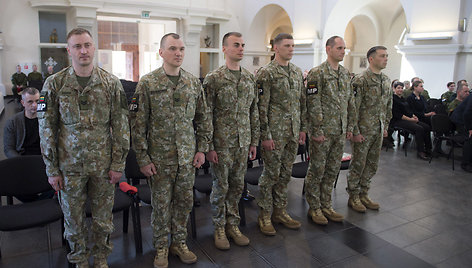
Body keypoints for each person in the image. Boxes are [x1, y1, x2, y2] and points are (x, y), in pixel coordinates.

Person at [38, 28, 130, 268]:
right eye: (77, 46)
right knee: (73, 220)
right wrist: (52, 169)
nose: (83, 50)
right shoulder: (54, 84)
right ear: (69, 50)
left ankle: (100, 259)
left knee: (103, 220)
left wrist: (118, 165)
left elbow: (121, 128)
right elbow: (47, 129)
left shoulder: (111, 83)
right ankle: (79, 260)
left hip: (103, 166)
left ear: (94, 47)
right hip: (69, 167)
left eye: (87, 45)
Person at [131, 33, 212, 268]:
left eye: (182, 49)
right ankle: (161, 247)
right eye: (173, 48)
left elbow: (203, 118)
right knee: (161, 205)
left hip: (187, 157)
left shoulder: (192, 82)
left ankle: (179, 242)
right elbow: (138, 125)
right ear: (161, 53)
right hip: (160, 158)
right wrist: (143, 158)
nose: (178, 53)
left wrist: (201, 149)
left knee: (184, 202)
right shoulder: (147, 83)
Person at [203, 32, 259, 249]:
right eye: (236, 45)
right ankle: (218, 227)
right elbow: (206, 114)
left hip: (242, 142)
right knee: (220, 186)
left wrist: (253, 142)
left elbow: (252, 112)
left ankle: (232, 224)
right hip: (221, 143)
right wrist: (208, 146)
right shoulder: (214, 78)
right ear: (224, 48)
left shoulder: (248, 78)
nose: (241, 48)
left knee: (237, 186)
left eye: (243, 45)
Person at [255, 33, 306, 235]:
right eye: (287, 45)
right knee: (270, 175)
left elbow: (301, 103)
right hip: (274, 134)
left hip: (292, 133)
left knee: (285, 174)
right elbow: (261, 107)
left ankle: (280, 211)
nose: (291, 49)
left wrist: (302, 129)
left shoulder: (295, 71)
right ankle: (265, 215)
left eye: (293, 45)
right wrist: (265, 135)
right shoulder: (266, 73)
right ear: (276, 48)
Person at [304, 36, 355, 225]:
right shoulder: (318, 73)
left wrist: (349, 126)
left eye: (344, 48)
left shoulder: (344, 73)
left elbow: (350, 101)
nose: (343, 51)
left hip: (339, 131)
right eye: (340, 48)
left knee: (332, 170)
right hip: (323, 131)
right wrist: (316, 130)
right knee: (317, 169)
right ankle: (314, 207)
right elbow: (313, 103)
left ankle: (326, 205)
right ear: (328, 49)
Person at [346, 46, 392, 213]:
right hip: (363, 130)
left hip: (378, 129)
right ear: (371, 59)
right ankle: (354, 196)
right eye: (382, 56)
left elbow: (388, 106)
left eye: (387, 56)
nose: (386, 59)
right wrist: (355, 131)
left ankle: (364, 193)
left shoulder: (386, 80)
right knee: (358, 163)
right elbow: (353, 108)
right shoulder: (361, 80)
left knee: (372, 164)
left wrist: (385, 126)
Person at [391, 82, 433, 160]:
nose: (400, 90)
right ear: (394, 89)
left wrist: (414, 116)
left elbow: (408, 111)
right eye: (398, 88)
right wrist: (411, 119)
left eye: (401, 88)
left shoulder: (403, 99)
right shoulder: (393, 99)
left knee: (426, 127)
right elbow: (398, 115)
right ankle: (420, 151)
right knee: (419, 128)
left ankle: (428, 149)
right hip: (398, 120)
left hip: (408, 118)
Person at [450, 92, 472, 172]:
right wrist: (470, 128)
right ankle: (466, 164)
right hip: (460, 120)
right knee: (469, 138)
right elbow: (467, 113)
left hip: (466, 119)